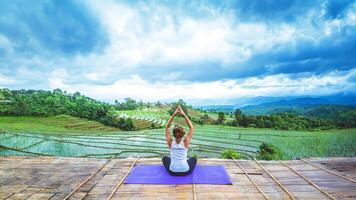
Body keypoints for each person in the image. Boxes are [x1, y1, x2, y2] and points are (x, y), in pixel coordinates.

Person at [162, 105, 197, 176]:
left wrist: (174, 114)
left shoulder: (170, 142)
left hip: (172, 172)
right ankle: (183, 163)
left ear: (173, 134)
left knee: (164, 158)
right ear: (183, 134)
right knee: (194, 159)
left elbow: (167, 127)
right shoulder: (186, 142)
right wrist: (183, 114)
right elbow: (191, 127)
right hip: (185, 171)